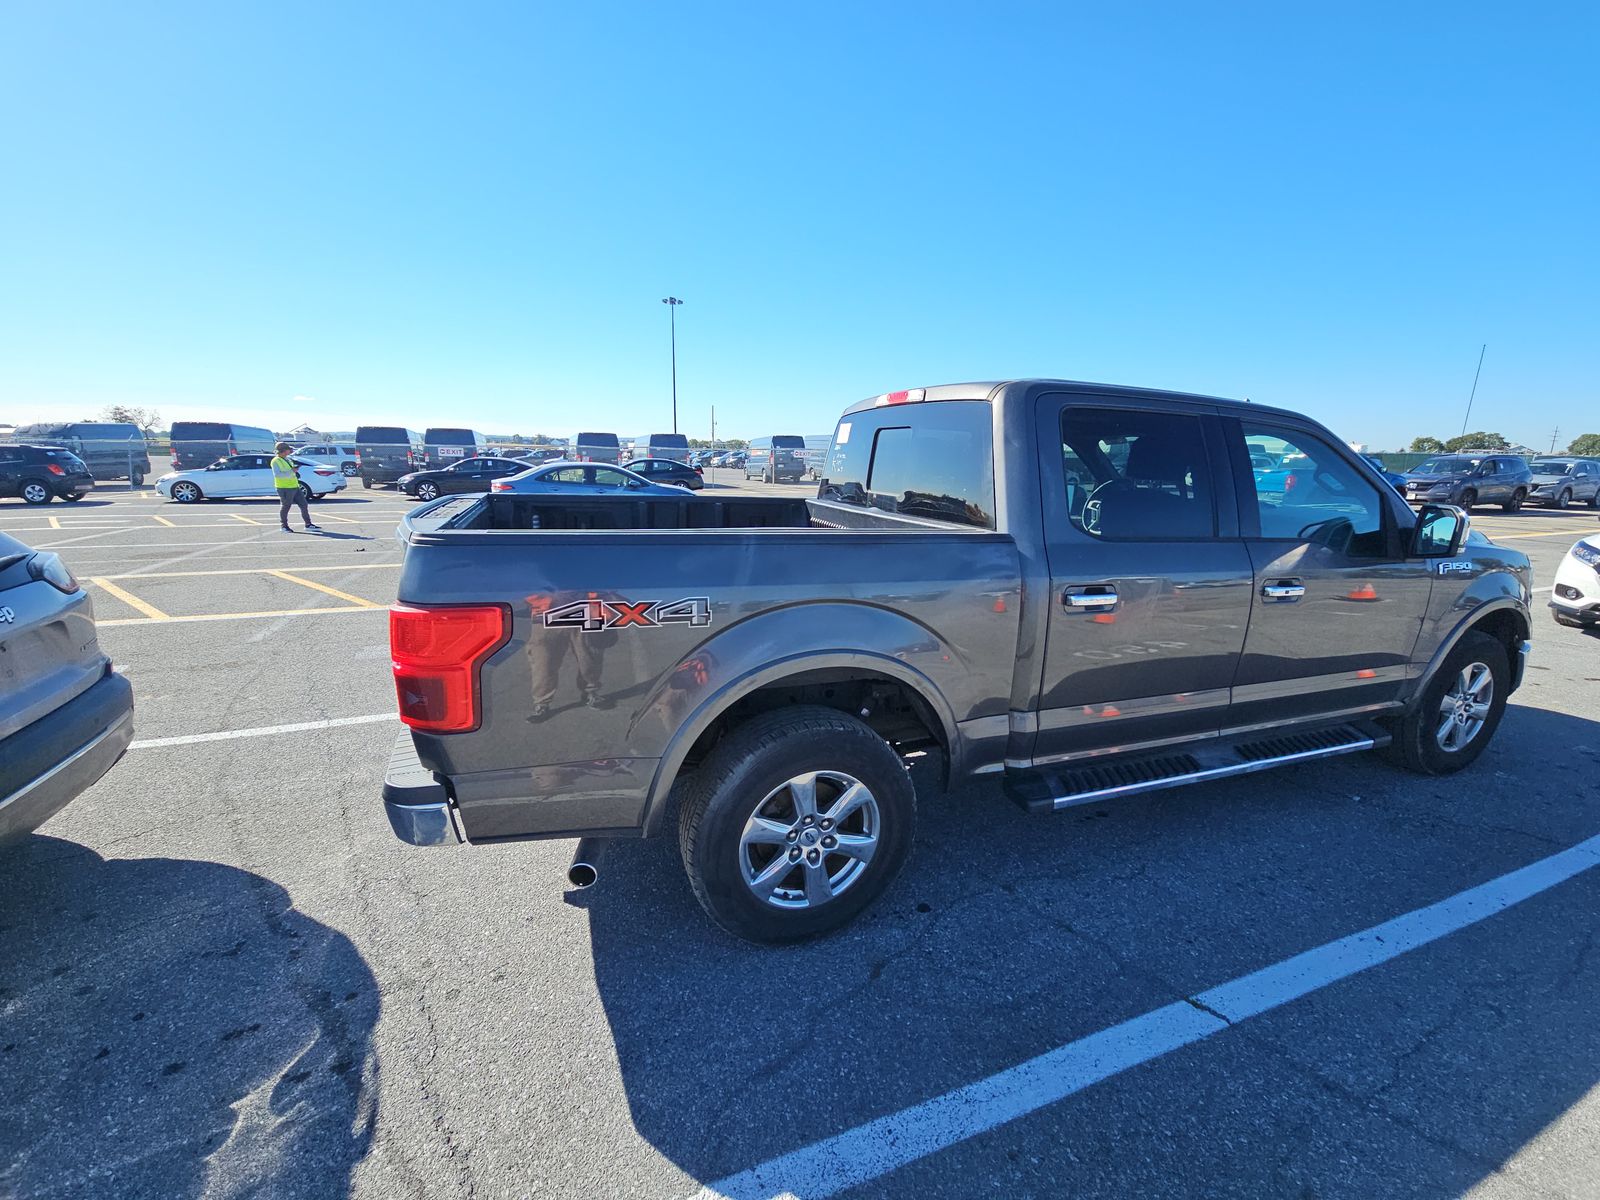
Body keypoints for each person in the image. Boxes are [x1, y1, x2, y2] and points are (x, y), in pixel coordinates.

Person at [272, 443, 321, 532]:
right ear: (283, 450)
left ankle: (308, 524)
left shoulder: (287, 459)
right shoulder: (276, 461)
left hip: (294, 486)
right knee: (286, 506)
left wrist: (294, 471)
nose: (290, 450)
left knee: (304, 504)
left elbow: (290, 472)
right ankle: (284, 526)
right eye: (288, 449)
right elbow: (278, 475)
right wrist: (292, 471)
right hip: (284, 487)